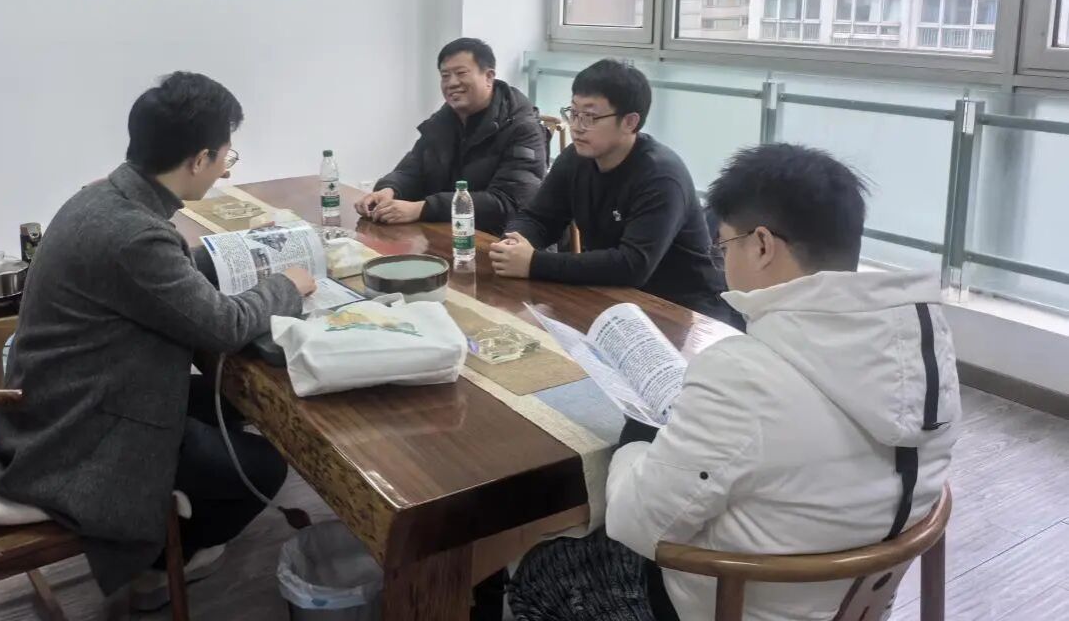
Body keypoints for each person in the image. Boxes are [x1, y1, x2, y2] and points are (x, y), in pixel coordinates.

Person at [511, 144, 960, 621]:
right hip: (850, 604)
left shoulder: (743, 373)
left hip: (733, 603)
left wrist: (636, 441)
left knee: (539, 568)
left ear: (762, 245)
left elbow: (635, 523)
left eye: (723, 246)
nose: (721, 261)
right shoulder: (927, 347)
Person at [0, 72, 315, 609]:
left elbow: (161, 283)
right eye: (226, 157)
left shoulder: (102, 197)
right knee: (264, 465)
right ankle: (161, 567)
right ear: (199, 159)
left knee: (231, 403)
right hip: (77, 432)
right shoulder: (136, 234)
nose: (226, 168)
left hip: (56, 400)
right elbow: (224, 327)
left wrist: (229, 266)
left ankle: (179, 521)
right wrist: (287, 286)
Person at [490, 59, 735, 328]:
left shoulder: (661, 176)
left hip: (683, 311)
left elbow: (632, 265)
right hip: (616, 299)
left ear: (630, 122)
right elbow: (539, 218)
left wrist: (534, 263)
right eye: (573, 113)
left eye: (590, 117)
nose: (577, 126)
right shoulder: (576, 158)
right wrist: (514, 243)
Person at [356, 37, 547, 235]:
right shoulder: (443, 121)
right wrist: (389, 190)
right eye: (445, 76)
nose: (452, 83)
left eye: (461, 73)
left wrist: (424, 209)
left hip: (504, 241)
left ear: (489, 77)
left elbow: (508, 203)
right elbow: (412, 170)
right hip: (449, 231)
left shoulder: (522, 128)